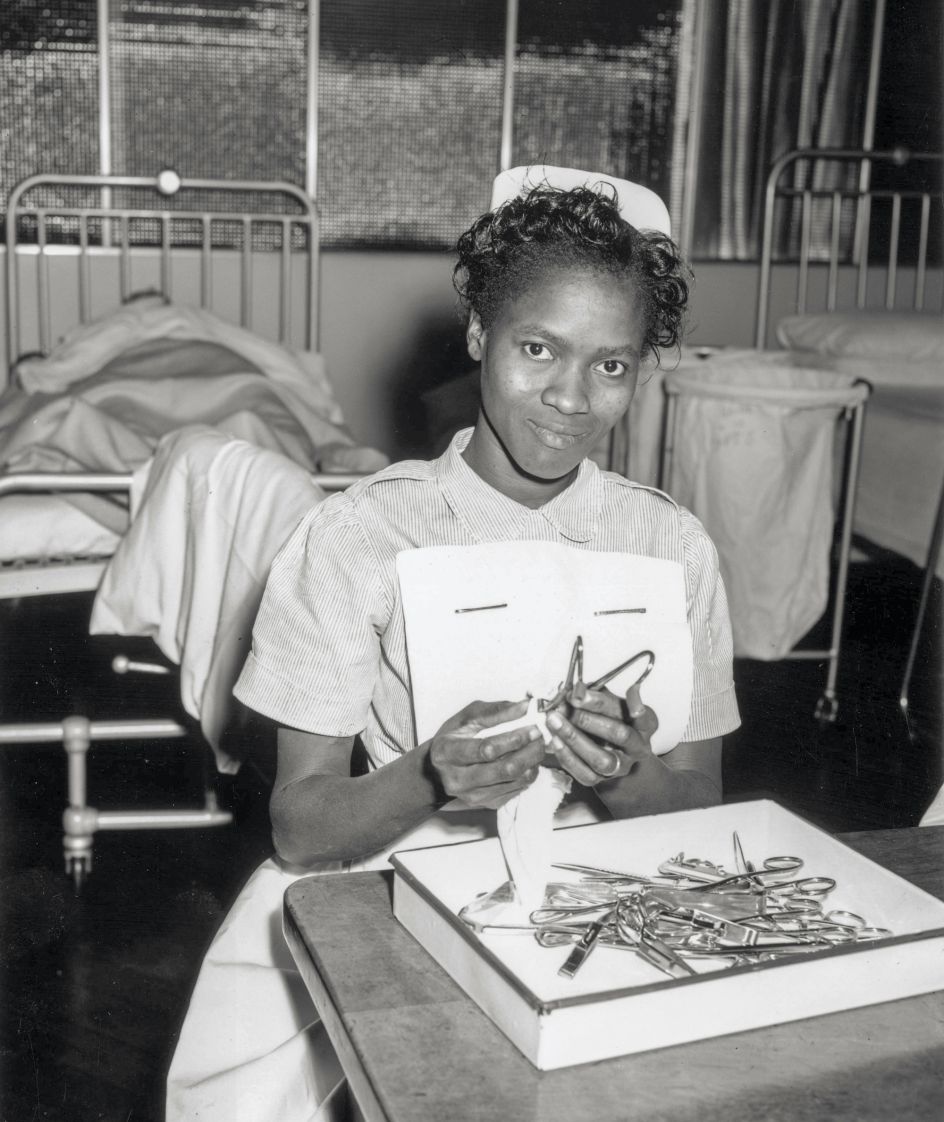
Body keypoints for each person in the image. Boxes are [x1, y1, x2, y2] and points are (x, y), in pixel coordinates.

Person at [166, 171, 740, 1122]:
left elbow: (698, 806)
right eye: (537, 349)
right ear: (479, 335)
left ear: (642, 370)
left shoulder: (672, 546)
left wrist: (626, 771)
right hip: (394, 874)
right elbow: (301, 827)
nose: (569, 397)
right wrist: (432, 776)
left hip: (608, 892)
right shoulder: (360, 536)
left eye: (611, 366)